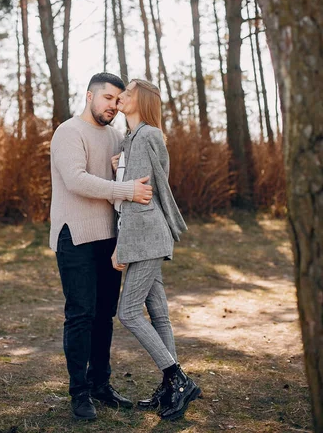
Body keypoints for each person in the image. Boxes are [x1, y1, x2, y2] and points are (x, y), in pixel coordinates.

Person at [50, 72, 153, 421]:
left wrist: (118, 175)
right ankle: (79, 392)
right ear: (90, 95)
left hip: (109, 237)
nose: (113, 105)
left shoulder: (116, 136)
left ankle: (100, 384)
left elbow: (118, 184)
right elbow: (77, 180)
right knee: (81, 314)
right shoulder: (68, 132)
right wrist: (125, 189)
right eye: (107, 98)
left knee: (105, 315)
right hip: (74, 234)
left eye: (117, 99)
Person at [111, 79, 201, 421]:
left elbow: (140, 197)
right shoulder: (131, 138)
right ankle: (171, 387)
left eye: (128, 92)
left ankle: (179, 379)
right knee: (159, 314)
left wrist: (122, 247)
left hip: (145, 236)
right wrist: (118, 166)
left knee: (129, 312)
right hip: (145, 235)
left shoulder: (148, 134)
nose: (121, 96)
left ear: (142, 100)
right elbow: (129, 189)